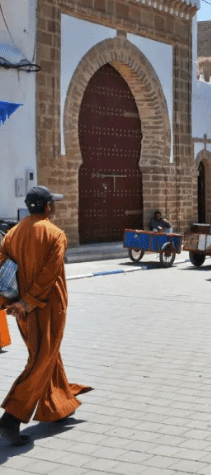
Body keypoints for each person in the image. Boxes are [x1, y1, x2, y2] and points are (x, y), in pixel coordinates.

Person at [0, 186, 92, 446]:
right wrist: (28, 302)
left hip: (21, 309)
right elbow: (49, 276)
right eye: (54, 203)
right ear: (48, 207)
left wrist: (14, 301)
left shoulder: (13, 233)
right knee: (41, 361)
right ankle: (11, 418)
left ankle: (58, 405)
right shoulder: (55, 234)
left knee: (46, 355)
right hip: (45, 308)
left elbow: (2, 265)